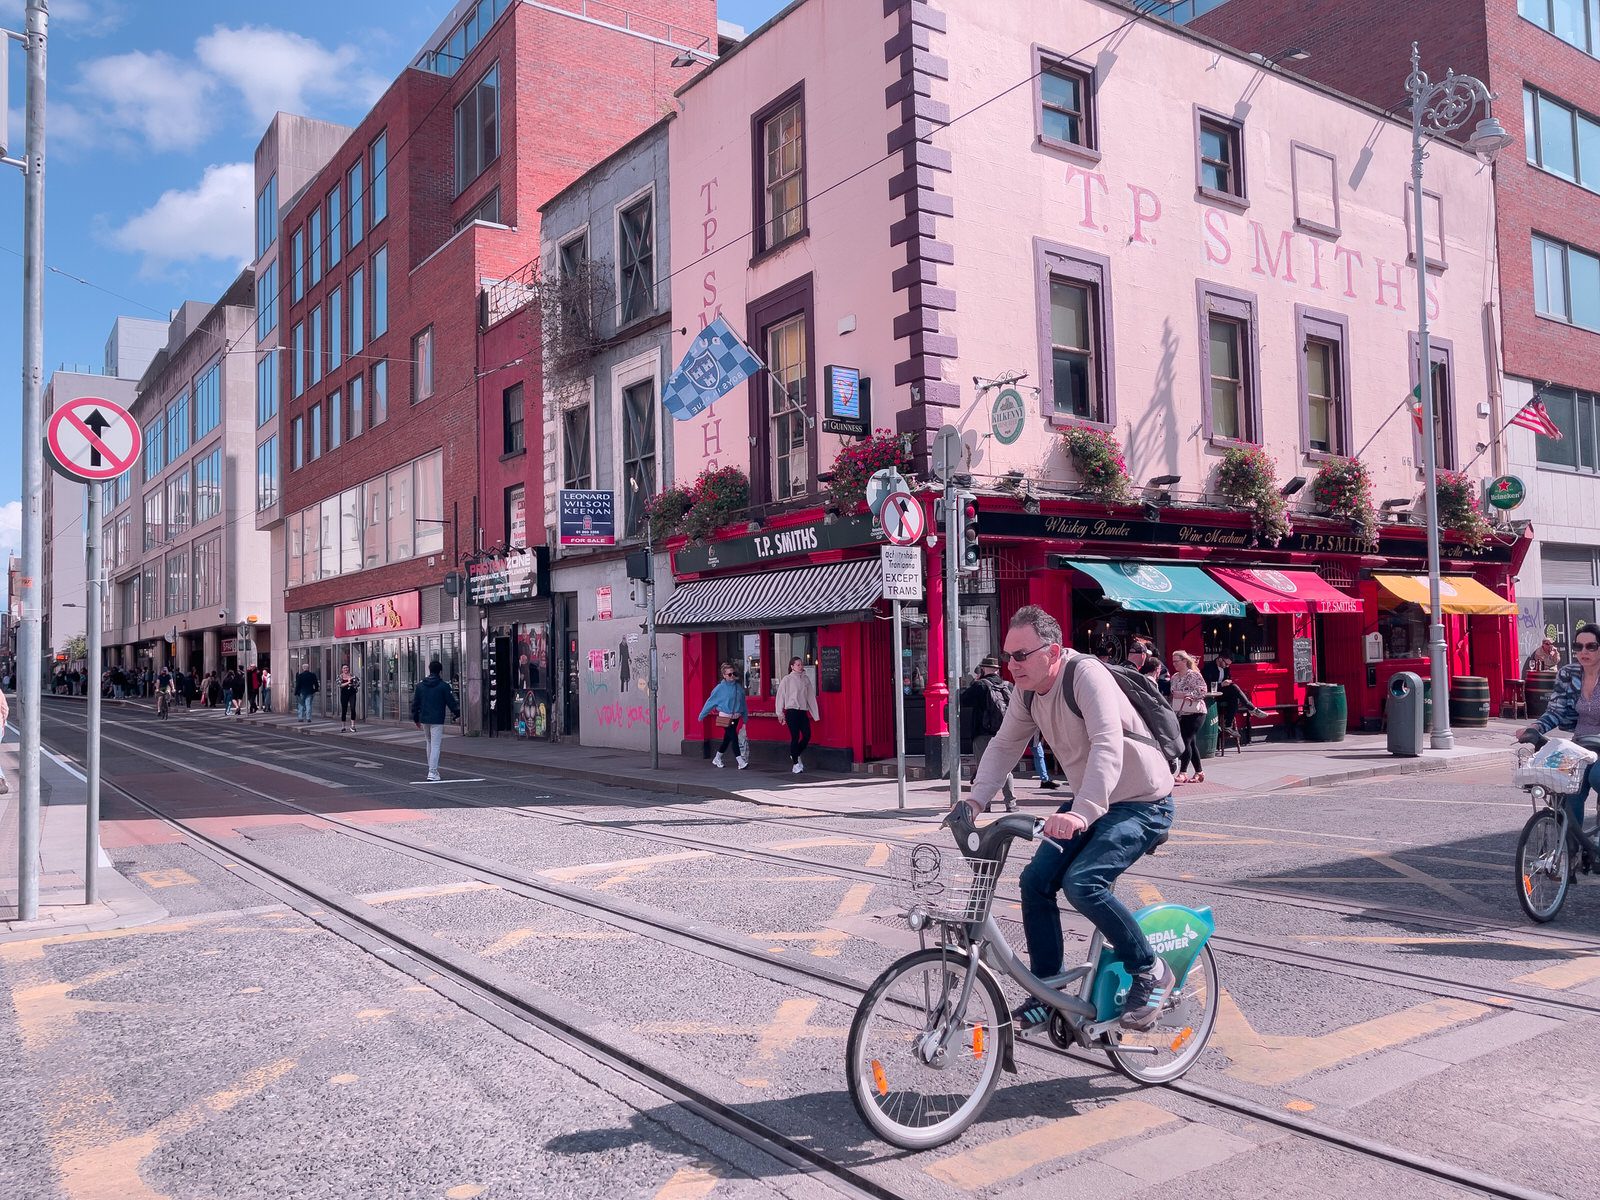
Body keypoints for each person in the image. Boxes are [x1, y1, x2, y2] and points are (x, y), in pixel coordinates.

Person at [960, 604, 1176, 1032]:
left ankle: (1151, 970)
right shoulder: (1026, 691)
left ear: (1052, 651)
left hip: (1141, 801)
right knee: (1035, 881)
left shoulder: (1086, 675)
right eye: (1007, 655)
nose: (1011, 665)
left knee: (1083, 882)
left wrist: (1081, 812)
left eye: (1021, 655)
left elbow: (1106, 746)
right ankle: (1048, 989)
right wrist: (973, 803)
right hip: (1092, 803)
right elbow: (1003, 746)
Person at [1521, 623, 1600, 872]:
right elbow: (1555, 711)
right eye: (1578, 646)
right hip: (1581, 745)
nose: (1583, 651)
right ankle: (1573, 849)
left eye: (1591, 646)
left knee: (1598, 776)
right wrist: (1534, 729)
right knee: (1567, 788)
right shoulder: (1568, 673)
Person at [962, 657, 1018, 812]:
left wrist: (975, 681)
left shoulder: (980, 685)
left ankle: (985, 804)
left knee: (983, 769)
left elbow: (963, 700)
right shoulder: (1009, 685)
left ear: (983, 669)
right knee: (1006, 768)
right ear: (997, 669)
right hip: (1005, 732)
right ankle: (1011, 803)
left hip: (983, 733)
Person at [411, 659, 461, 782]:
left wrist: (416, 718)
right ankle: (432, 772)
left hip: (424, 718)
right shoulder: (443, 686)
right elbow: (451, 703)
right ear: (440, 671)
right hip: (437, 719)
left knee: (429, 743)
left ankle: (432, 769)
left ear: (429, 669)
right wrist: (457, 714)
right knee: (436, 745)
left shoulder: (420, 686)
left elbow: (415, 704)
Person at [698, 662, 749, 769]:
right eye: (729, 674)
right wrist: (702, 715)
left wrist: (745, 718)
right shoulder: (720, 688)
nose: (732, 676)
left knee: (727, 739)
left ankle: (717, 758)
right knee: (734, 737)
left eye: (733, 673)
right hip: (724, 717)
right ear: (724, 675)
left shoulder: (738, 687)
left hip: (736, 717)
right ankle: (740, 761)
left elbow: (743, 703)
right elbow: (710, 702)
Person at [1169, 650, 1208, 784]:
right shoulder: (1174, 677)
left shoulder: (1193, 675)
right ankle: (1199, 772)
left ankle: (1183, 772)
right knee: (1191, 742)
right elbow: (1173, 693)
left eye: (1176, 661)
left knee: (1185, 739)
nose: (1174, 664)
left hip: (1196, 712)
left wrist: (1189, 695)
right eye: (1173, 661)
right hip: (1181, 711)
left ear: (1185, 661)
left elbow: (1203, 690)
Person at [774, 656, 819, 774]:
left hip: (802, 711)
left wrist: (815, 714)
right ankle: (795, 764)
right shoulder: (787, 679)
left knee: (807, 735)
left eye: (801, 664)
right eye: (798, 665)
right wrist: (780, 713)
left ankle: (794, 753)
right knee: (795, 736)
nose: (800, 666)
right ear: (792, 666)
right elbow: (780, 696)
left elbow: (810, 697)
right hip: (792, 711)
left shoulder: (806, 679)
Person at [339, 666, 361, 733]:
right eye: (344, 668)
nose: (346, 669)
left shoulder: (353, 676)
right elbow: (340, 685)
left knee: (353, 708)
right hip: (344, 694)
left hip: (352, 694)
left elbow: (358, 683)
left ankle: (353, 726)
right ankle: (343, 726)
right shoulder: (340, 677)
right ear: (342, 669)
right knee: (344, 709)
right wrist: (348, 682)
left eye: (347, 668)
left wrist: (353, 685)